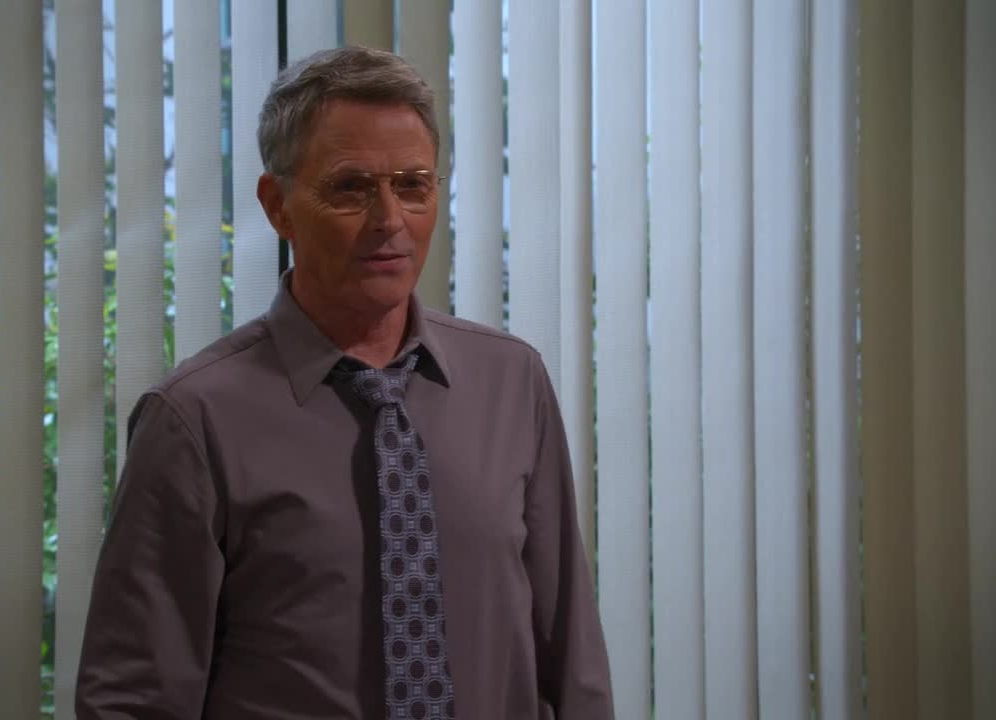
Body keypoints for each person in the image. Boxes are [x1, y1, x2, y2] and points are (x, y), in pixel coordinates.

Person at [75, 45, 614, 720]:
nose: (390, 220)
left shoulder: (512, 382)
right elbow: (133, 699)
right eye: (351, 188)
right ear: (278, 205)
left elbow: (571, 661)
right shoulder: (195, 419)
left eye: (412, 185)